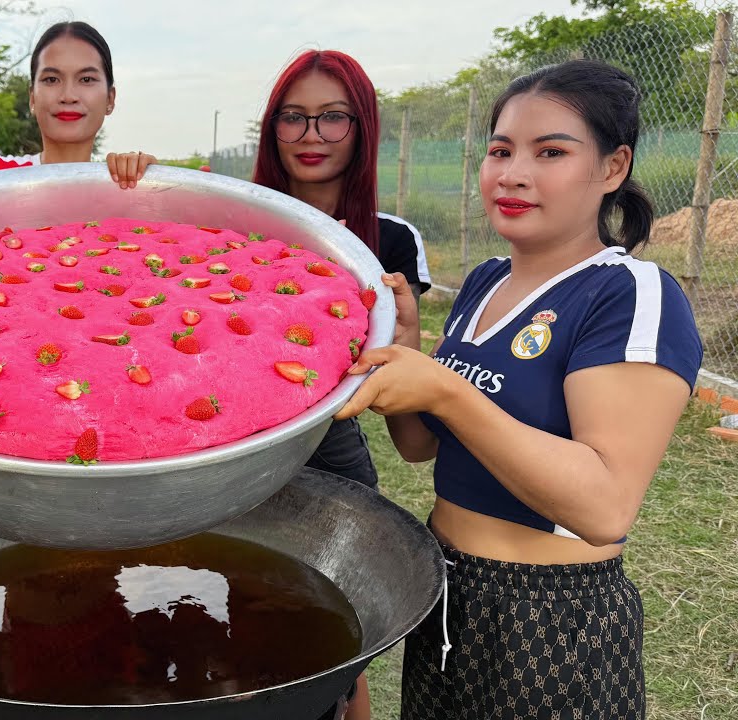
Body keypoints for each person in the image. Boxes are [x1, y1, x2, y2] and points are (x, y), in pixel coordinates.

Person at [335, 60, 702, 719]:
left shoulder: (629, 294)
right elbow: (422, 446)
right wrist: (413, 357)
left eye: (551, 152)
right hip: (443, 591)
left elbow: (605, 507)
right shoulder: (484, 283)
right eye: (500, 151)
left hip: (552, 614)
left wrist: (445, 390)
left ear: (613, 169)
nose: (513, 174)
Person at [252, 49, 431, 497]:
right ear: (273, 129)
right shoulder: (235, 227)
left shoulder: (390, 241)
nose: (311, 136)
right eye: (293, 117)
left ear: (362, 128)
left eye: (333, 117)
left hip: (328, 441)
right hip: (228, 440)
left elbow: (398, 406)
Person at [0, 21, 155, 187]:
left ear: (110, 99)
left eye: (86, 79)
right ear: (32, 97)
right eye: (52, 79)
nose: (68, 96)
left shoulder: (126, 185)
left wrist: (154, 182)